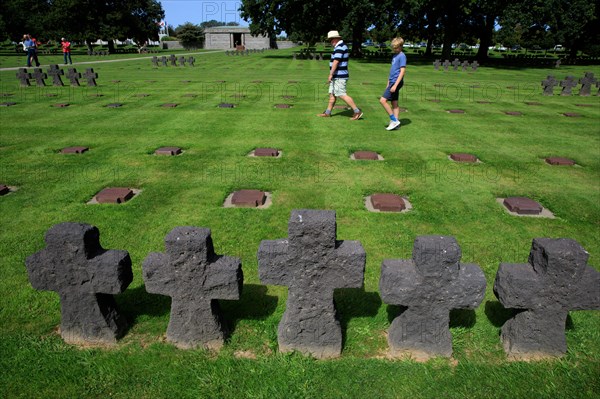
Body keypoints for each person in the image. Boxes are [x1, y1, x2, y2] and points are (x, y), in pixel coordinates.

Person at [317, 30, 363, 120]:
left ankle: (357, 111)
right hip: (337, 75)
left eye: (331, 40)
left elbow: (336, 62)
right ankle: (327, 112)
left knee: (341, 94)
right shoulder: (341, 46)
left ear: (336, 39)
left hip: (339, 76)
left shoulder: (340, 47)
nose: (330, 42)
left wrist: (331, 74)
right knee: (332, 94)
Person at [379, 37, 406, 130]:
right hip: (392, 81)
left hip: (396, 82)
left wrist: (395, 85)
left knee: (382, 100)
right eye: (393, 48)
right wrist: (388, 82)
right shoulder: (395, 55)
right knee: (394, 103)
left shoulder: (402, 56)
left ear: (401, 46)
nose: (394, 49)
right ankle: (396, 124)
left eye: (396, 48)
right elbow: (392, 71)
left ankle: (394, 120)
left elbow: (402, 72)